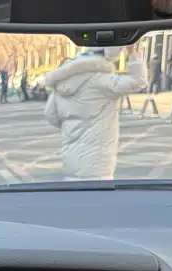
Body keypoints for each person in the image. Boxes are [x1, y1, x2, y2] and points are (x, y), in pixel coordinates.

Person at [41, 47, 147, 181]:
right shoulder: (102, 80)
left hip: (71, 161)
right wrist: (133, 53)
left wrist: (70, 125)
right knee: (98, 191)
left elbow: (50, 114)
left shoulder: (61, 84)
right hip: (98, 163)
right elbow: (138, 82)